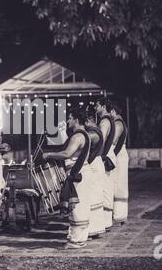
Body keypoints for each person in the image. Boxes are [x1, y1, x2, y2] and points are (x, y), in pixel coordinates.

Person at [43, 108, 92, 249]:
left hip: (78, 174)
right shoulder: (85, 134)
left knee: (77, 208)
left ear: (76, 120)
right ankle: (76, 238)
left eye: (70, 118)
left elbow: (67, 153)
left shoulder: (78, 136)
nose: (68, 120)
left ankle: (77, 241)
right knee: (77, 207)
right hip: (82, 172)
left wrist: (49, 155)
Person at [95, 98, 116, 231]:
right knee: (107, 188)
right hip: (109, 154)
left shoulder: (104, 121)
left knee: (104, 189)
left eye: (97, 105)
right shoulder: (110, 120)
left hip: (105, 155)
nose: (95, 108)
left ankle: (105, 222)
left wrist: (98, 156)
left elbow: (100, 140)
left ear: (103, 106)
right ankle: (106, 221)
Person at [85, 109, 106, 238]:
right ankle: (97, 228)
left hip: (94, 165)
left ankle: (93, 229)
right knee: (96, 197)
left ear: (88, 120)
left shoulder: (92, 133)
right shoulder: (98, 130)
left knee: (92, 197)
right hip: (98, 163)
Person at [111, 102, 129, 225]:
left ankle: (119, 215)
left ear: (113, 111)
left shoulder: (118, 123)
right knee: (119, 183)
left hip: (119, 154)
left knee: (119, 184)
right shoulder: (120, 122)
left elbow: (113, 140)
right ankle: (120, 214)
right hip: (121, 153)